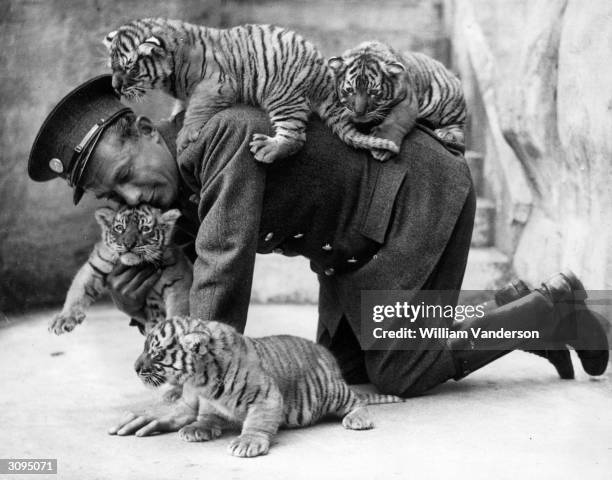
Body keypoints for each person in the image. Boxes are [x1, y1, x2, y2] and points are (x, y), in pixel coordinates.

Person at [28, 75, 609, 434]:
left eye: (129, 173)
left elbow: (222, 264)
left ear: (150, 132)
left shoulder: (222, 133)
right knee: (345, 375)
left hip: (415, 198)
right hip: (354, 249)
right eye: (114, 193)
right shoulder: (172, 189)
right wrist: (138, 301)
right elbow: (177, 291)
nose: (134, 197)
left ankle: (549, 313)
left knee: (400, 372)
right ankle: (510, 304)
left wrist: (197, 398)